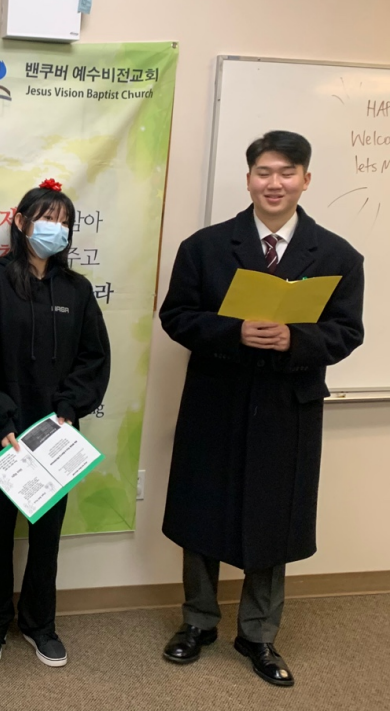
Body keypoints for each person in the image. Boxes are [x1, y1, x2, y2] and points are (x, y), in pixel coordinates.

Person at [159, 131, 364, 687]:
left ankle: (258, 634)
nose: (275, 183)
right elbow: (176, 316)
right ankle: (197, 622)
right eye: (264, 172)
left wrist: (295, 340)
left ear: (306, 179)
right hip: (217, 400)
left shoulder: (338, 255)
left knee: (275, 521)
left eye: (287, 173)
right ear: (248, 178)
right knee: (202, 512)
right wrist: (234, 332)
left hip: (287, 408)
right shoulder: (204, 247)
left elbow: (348, 332)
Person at [0, 179, 111, 669]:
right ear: (22, 222)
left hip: (56, 436)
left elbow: (94, 358)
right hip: (1, 435)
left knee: (47, 538)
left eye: (64, 222)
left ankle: (39, 624)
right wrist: (1, 418)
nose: (56, 229)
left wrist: (68, 409)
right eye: (47, 218)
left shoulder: (76, 289)